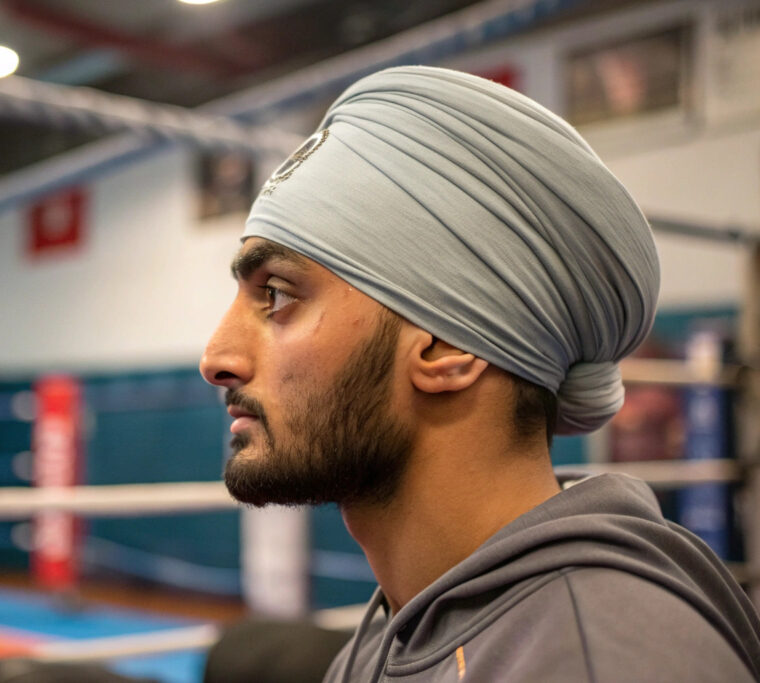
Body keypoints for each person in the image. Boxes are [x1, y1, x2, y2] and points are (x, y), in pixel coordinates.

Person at [199, 66, 760, 682]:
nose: (216, 358)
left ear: (447, 347)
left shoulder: (603, 662)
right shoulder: (401, 628)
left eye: (277, 295)